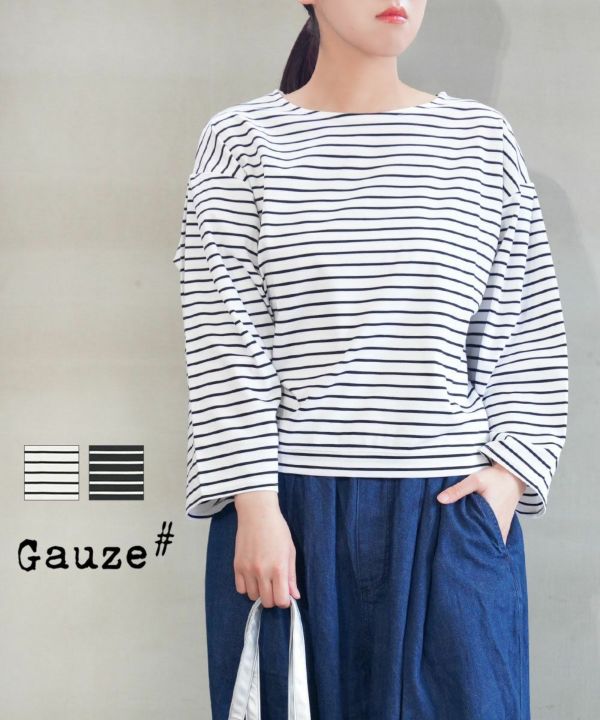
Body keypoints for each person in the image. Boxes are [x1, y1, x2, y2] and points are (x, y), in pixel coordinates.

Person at [172, 1, 569, 718]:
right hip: (291, 511)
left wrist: (510, 479)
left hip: (449, 514)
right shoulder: (243, 141)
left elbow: (526, 327)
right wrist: (255, 505)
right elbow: (225, 335)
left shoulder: (480, 143)